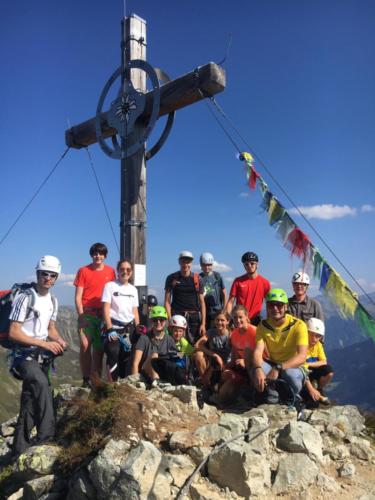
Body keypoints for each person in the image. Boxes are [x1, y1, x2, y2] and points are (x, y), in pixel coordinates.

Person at [8, 256, 66, 456]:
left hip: (42, 358)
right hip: (23, 357)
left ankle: (19, 450)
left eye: (52, 275)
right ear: (38, 274)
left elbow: (50, 328)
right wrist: (43, 343)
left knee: (30, 400)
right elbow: (14, 332)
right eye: (44, 274)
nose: (48, 278)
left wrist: (58, 340)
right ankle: (47, 436)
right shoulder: (25, 297)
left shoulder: (53, 301)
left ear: (56, 278)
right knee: (41, 385)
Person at [252, 288, 308, 404]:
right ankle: (273, 394)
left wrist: (278, 368)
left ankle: (294, 395)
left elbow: (302, 356)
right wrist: (257, 369)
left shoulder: (298, 325)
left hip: (294, 367)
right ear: (267, 307)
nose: (275, 308)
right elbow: (258, 351)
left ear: (286, 307)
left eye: (279, 305)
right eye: (271, 305)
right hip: (274, 363)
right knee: (257, 368)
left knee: (290, 374)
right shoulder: (263, 326)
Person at [74, 242, 116, 386]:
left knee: (98, 349)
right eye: (95, 253)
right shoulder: (83, 271)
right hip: (87, 313)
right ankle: (86, 379)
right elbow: (78, 296)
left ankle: (95, 380)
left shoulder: (111, 272)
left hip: (103, 315)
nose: (98, 256)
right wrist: (81, 316)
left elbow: (112, 294)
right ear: (92, 255)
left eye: (101, 253)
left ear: (105, 256)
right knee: (85, 345)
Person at [101, 260, 140, 382]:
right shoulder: (110, 286)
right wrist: (109, 328)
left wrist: (138, 327)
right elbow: (105, 308)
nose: (125, 272)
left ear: (131, 272)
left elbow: (135, 311)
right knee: (113, 352)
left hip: (129, 328)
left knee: (126, 356)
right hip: (113, 327)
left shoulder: (133, 290)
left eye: (128, 270)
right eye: (122, 269)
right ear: (118, 270)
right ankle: (111, 385)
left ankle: (122, 385)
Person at [131, 306, 182, 385]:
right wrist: (134, 383)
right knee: (154, 355)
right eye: (155, 320)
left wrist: (183, 354)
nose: (158, 322)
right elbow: (135, 363)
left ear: (165, 321)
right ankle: (156, 381)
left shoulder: (169, 339)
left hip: (162, 373)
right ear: (151, 321)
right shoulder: (144, 338)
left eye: (161, 320)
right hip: (144, 374)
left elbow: (175, 356)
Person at [164, 251, 206, 344]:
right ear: (179, 262)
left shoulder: (198, 279)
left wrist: (203, 324)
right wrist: (170, 319)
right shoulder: (171, 278)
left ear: (191, 263)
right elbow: (167, 301)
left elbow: (202, 302)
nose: (185, 264)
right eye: (183, 261)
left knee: (194, 346)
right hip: (177, 316)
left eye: (188, 262)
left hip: (194, 318)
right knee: (177, 345)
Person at [217, 305, 256, 404]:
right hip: (241, 368)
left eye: (240, 317)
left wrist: (246, 361)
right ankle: (238, 389)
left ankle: (252, 394)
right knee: (225, 376)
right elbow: (234, 355)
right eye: (235, 318)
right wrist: (226, 366)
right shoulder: (234, 334)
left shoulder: (255, 332)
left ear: (247, 317)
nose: (238, 320)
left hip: (254, 366)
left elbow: (263, 354)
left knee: (224, 393)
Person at [225, 252, 270, 325]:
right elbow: (230, 301)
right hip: (239, 319)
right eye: (246, 264)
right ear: (244, 266)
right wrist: (228, 317)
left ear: (257, 264)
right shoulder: (238, 281)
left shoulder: (265, 282)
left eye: (252, 263)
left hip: (256, 320)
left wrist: (269, 319)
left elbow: (268, 303)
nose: (249, 266)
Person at [195, 311, 231, 389]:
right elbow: (197, 345)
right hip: (213, 364)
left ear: (228, 321)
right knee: (198, 355)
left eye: (222, 320)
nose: (219, 322)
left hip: (226, 365)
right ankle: (206, 386)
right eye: (217, 320)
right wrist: (215, 355)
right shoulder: (211, 332)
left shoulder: (231, 334)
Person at [303, 317, 333, 406]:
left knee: (328, 370)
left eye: (318, 336)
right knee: (313, 403)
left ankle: (319, 389)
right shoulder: (301, 344)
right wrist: (311, 389)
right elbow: (301, 369)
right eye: (312, 334)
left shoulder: (318, 345)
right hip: (303, 375)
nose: (315, 339)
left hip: (312, 372)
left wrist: (307, 364)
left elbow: (324, 362)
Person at [199, 252, 227, 330]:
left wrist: (224, 310)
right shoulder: (198, 278)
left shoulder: (217, 276)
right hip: (205, 312)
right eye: (205, 265)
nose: (207, 267)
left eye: (209, 265)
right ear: (201, 265)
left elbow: (224, 293)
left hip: (217, 311)